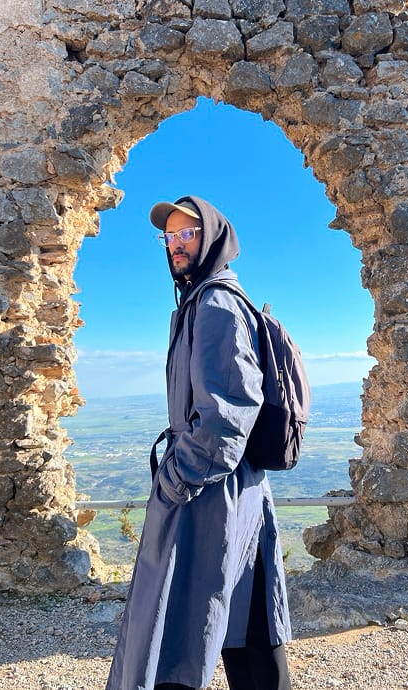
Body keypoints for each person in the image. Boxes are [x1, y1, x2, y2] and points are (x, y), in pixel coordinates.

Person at [106, 196, 292, 690]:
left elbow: (229, 412)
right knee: (246, 622)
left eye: (187, 233)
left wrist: (174, 480)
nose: (176, 244)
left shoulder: (216, 305)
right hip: (230, 487)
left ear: (212, 238)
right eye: (169, 236)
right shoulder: (201, 302)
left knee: (178, 630)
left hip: (210, 491)